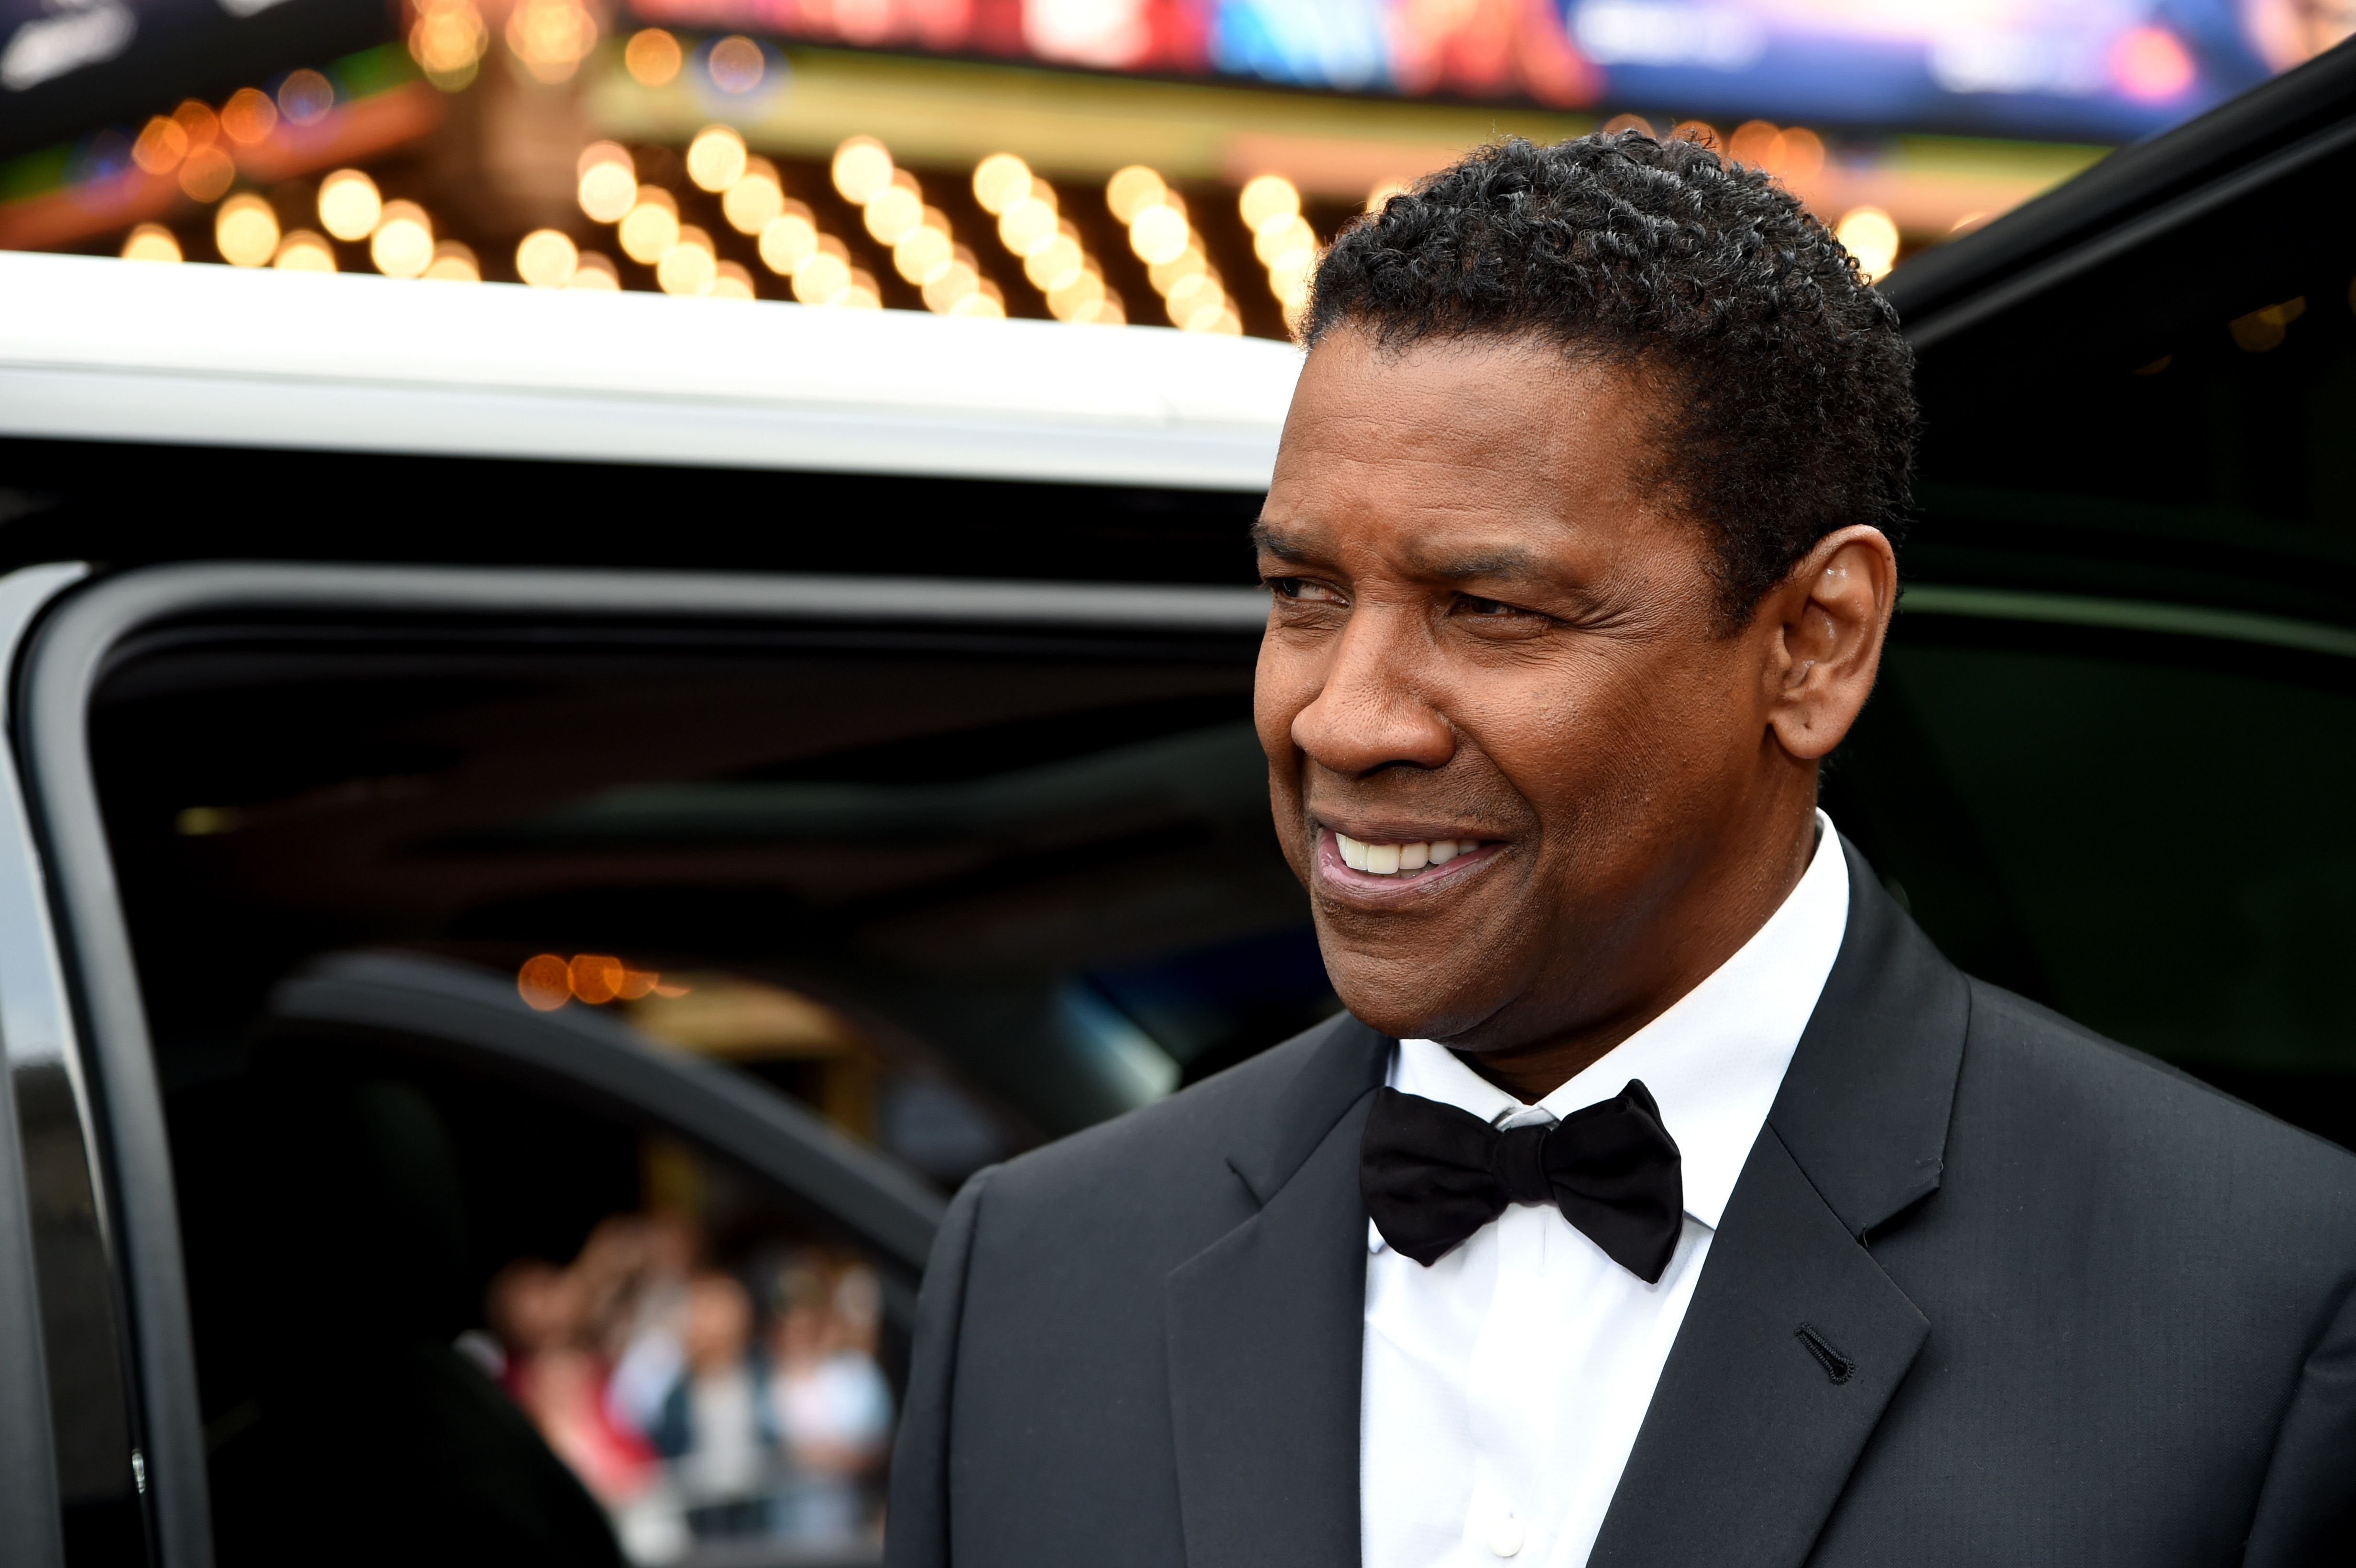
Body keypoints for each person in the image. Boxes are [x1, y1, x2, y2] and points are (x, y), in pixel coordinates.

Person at [885, 131, 2356, 1567]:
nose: (1344, 720)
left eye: (1492, 609)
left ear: (1813, 645)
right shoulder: (1036, 1271)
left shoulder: (2260, 1309)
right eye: (1303, 590)